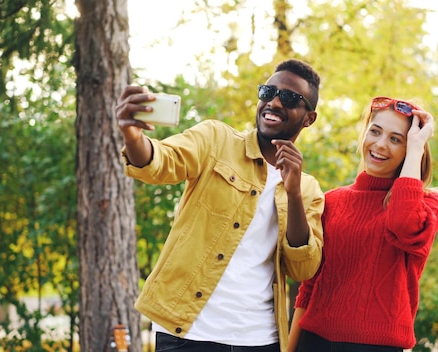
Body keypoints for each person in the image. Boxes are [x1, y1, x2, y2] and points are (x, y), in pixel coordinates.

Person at [114, 59, 324, 352]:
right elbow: (160, 162)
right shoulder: (216, 140)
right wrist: (133, 137)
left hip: (259, 339)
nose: (273, 102)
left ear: (308, 118)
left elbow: (303, 268)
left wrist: (293, 194)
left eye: (288, 98)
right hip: (187, 333)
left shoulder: (308, 188)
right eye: (267, 92)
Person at [288, 96, 438, 352]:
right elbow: (308, 287)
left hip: (378, 346)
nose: (381, 145)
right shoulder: (330, 201)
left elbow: (403, 223)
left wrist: (417, 146)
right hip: (314, 341)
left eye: (396, 139)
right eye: (375, 132)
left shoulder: (427, 206)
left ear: (409, 149)